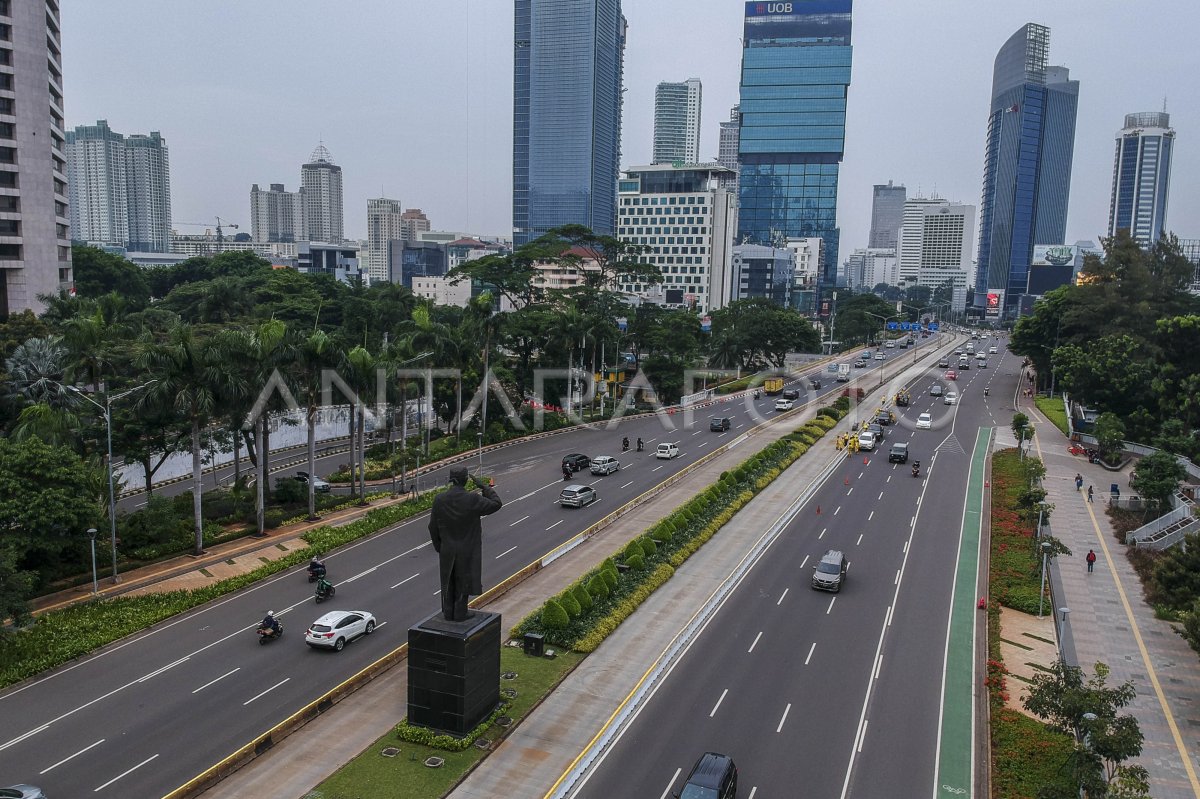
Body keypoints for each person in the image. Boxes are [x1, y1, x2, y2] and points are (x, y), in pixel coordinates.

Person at [429, 467, 504, 621]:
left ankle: (449, 612)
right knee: (463, 581)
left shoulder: (439, 499)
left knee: (448, 582)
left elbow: (432, 527)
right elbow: (496, 503)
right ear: (465, 480)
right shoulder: (472, 499)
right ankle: (460, 612)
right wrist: (484, 487)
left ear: (451, 480)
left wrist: (440, 547)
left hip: (447, 550)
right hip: (467, 549)